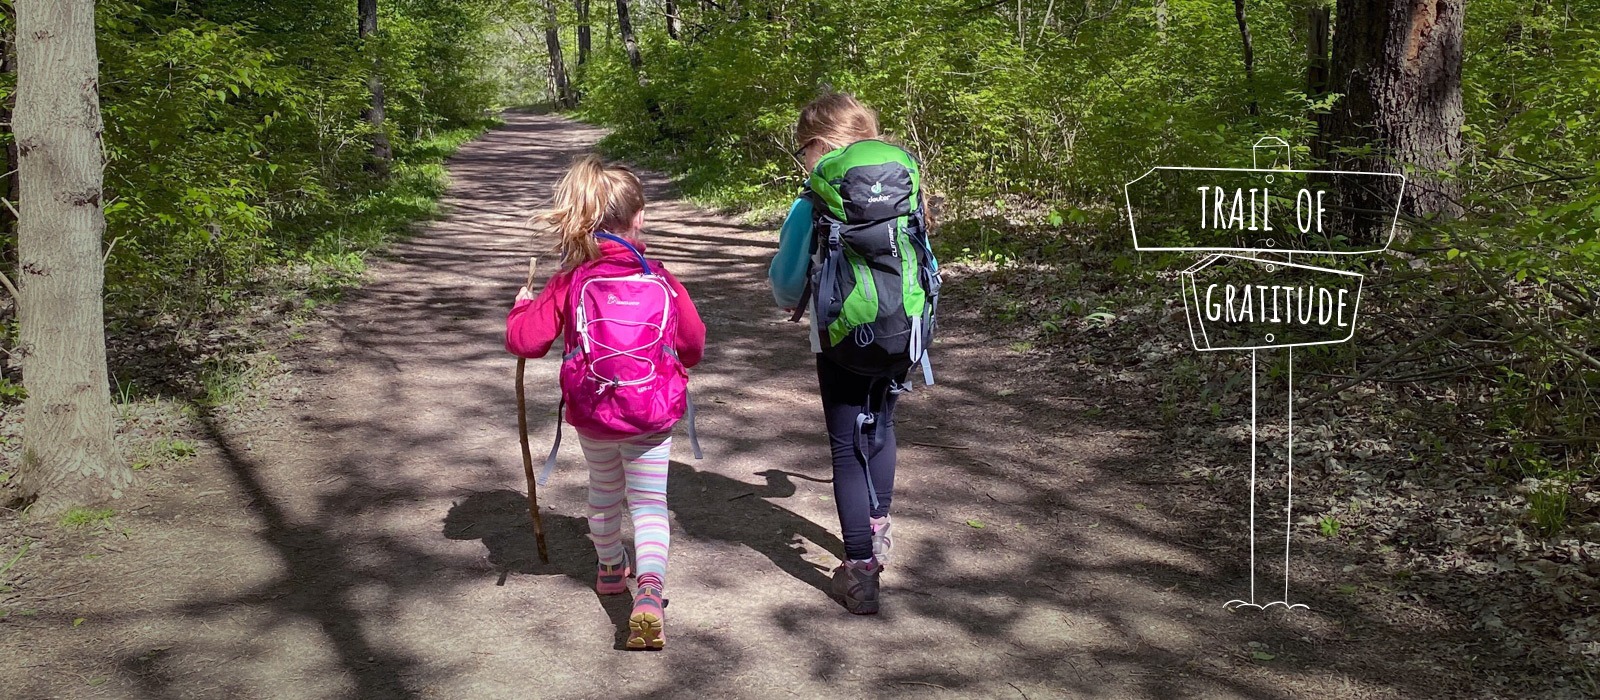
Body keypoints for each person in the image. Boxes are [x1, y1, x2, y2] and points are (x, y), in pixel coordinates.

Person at [506, 154, 705, 649]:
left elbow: (527, 342)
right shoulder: (660, 279)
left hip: (593, 414)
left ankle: (612, 569)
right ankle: (650, 593)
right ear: (639, 219)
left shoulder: (571, 279)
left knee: (603, 490)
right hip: (651, 413)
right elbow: (694, 345)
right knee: (650, 504)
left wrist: (521, 308)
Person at [769, 92, 933, 614]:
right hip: (902, 332)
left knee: (846, 445)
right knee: (881, 427)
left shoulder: (812, 199)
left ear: (818, 144)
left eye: (802, 151)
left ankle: (860, 570)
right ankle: (878, 529)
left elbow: (786, 284)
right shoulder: (905, 188)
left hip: (841, 337)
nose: (803, 161)